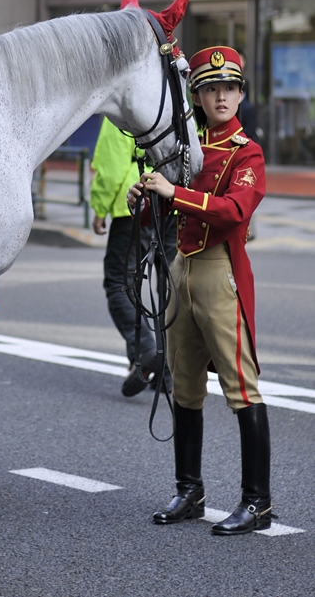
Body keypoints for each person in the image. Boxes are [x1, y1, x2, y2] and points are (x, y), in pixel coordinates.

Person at [127, 46, 271, 535]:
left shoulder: (247, 152)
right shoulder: (188, 148)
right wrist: (144, 201)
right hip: (181, 270)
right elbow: (161, 213)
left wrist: (175, 192)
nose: (222, 96)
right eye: (211, 89)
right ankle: (190, 490)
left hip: (220, 273)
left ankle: (257, 501)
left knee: (241, 387)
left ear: (239, 94)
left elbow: (234, 211)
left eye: (229, 88)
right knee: (184, 385)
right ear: (199, 97)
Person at [91, 116, 177, 397]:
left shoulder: (122, 109)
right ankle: (165, 373)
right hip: (174, 201)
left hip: (134, 202)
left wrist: (100, 206)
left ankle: (145, 352)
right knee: (168, 286)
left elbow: (112, 164)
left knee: (119, 282)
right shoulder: (176, 102)